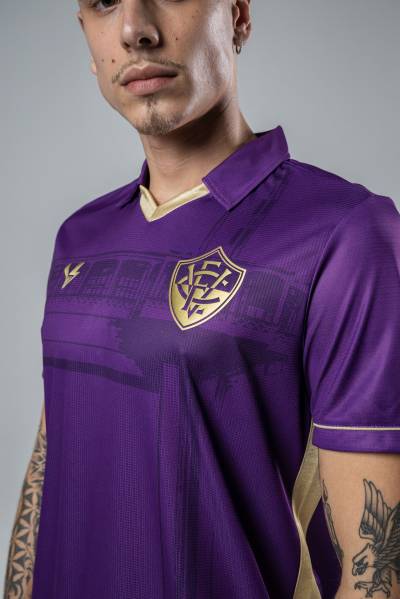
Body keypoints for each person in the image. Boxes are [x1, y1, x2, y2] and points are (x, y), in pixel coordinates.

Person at [4, 1, 400, 598]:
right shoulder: (79, 237)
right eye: (104, 2)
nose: (135, 30)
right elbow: (50, 457)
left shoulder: (344, 232)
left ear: (237, 15)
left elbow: (379, 571)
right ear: (87, 35)